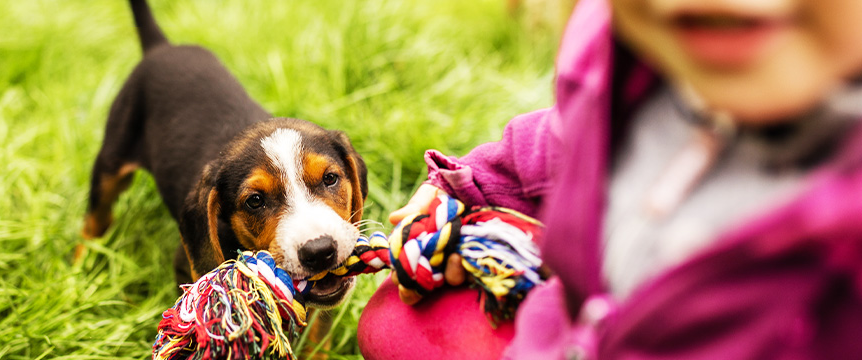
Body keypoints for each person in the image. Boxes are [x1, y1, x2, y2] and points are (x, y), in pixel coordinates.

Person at [358, 0, 862, 358]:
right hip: (568, 333)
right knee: (399, 322)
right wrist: (473, 181)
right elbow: (565, 140)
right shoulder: (631, 73)